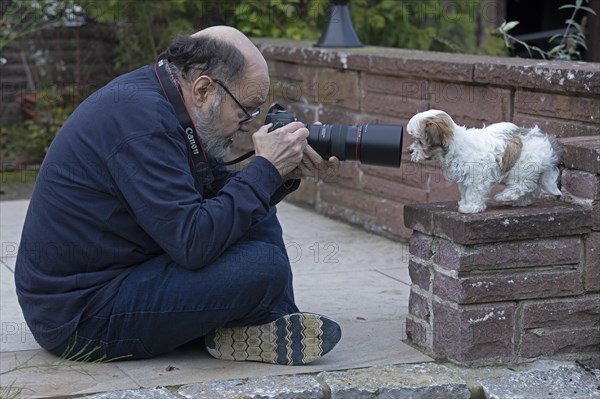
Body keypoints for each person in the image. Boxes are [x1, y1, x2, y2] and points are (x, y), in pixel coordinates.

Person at [15, 26, 342, 365]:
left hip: (126, 273)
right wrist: (265, 170)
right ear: (203, 89)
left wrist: (278, 175)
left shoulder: (167, 102)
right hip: (81, 317)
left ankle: (269, 322)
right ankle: (259, 321)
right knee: (264, 266)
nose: (249, 125)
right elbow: (193, 242)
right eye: (246, 110)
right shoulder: (141, 123)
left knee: (256, 211)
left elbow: (220, 198)